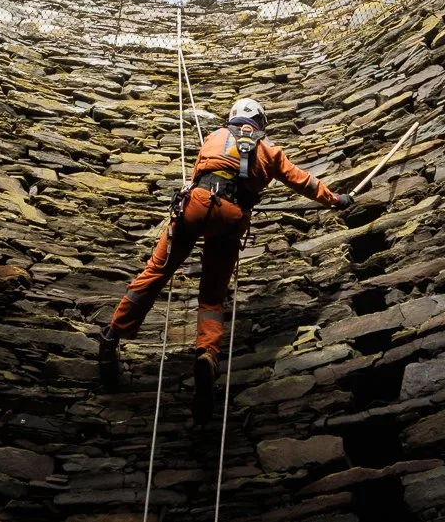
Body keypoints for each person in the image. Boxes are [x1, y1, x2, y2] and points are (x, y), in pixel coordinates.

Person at [98, 97, 352, 404]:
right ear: (261, 121)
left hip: (197, 205)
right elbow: (304, 182)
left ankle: (112, 335)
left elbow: (195, 177)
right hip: (232, 217)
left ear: (232, 117)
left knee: (157, 271)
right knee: (211, 296)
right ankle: (207, 353)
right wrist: (336, 200)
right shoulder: (270, 150)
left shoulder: (214, 137)